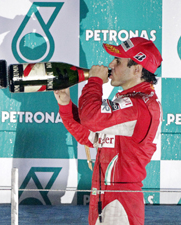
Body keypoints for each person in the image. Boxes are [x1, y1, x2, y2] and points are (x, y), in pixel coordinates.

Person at [54, 37, 162, 225]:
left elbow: (91, 118)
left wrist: (95, 81)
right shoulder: (129, 101)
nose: (110, 64)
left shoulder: (141, 105)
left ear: (137, 69)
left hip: (120, 202)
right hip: (103, 196)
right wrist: (65, 105)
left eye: (118, 61)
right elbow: (90, 136)